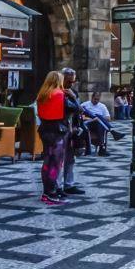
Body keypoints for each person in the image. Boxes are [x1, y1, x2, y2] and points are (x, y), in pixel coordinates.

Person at [35, 71, 76, 206]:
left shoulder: (42, 95)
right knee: (56, 164)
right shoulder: (61, 95)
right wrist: (73, 97)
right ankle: (51, 193)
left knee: (47, 162)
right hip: (58, 132)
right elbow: (77, 109)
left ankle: (47, 191)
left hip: (45, 131)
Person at [59, 67, 84, 197]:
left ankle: (69, 184)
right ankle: (57, 187)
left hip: (72, 129)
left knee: (70, 159)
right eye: (69, 81)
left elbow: (80, 110)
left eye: (73, 81)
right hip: (60, 129)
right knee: (59, 159)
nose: (71, 84)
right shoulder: (57, 92)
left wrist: (73, 97)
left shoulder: (73, 92)